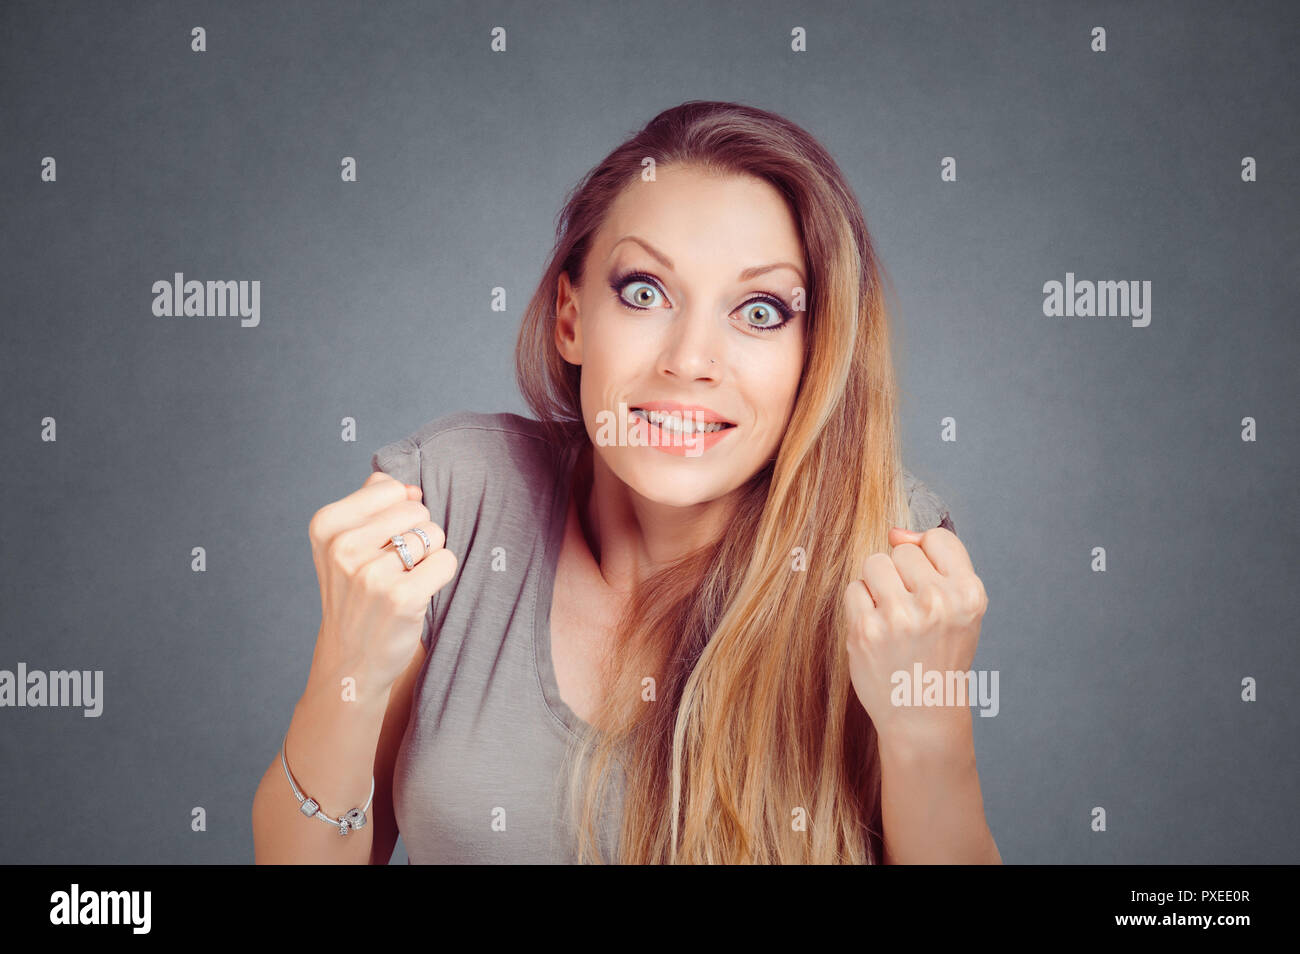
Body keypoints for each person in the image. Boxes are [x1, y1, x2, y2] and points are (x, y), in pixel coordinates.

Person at [252, 100, 1000, 864]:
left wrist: (929, 731)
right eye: (645, 292)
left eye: (761, 311)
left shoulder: (884, 554)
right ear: (570, 317)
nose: (690, 359)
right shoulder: (450, 500)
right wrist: (346, 666)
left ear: (819, 351)